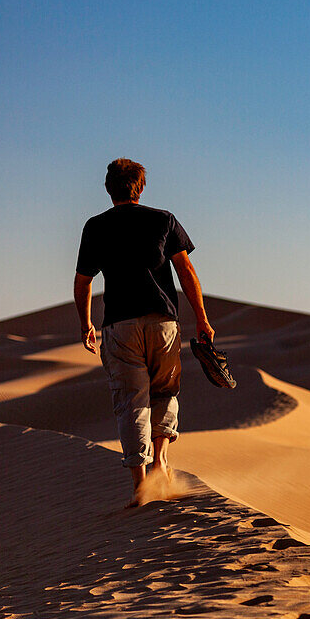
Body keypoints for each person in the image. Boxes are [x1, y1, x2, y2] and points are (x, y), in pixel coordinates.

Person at [73, 158, 214, 506]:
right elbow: (186, 270)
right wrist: (202, 317)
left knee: (131, 402)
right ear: (140, 187)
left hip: (120, 327)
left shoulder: (95, 227)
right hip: (163, 322)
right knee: (164, 391)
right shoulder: (163, 220)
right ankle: (161, 461)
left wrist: (85, 323)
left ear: (109, 189)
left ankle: (140, 484)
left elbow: (83, 281)